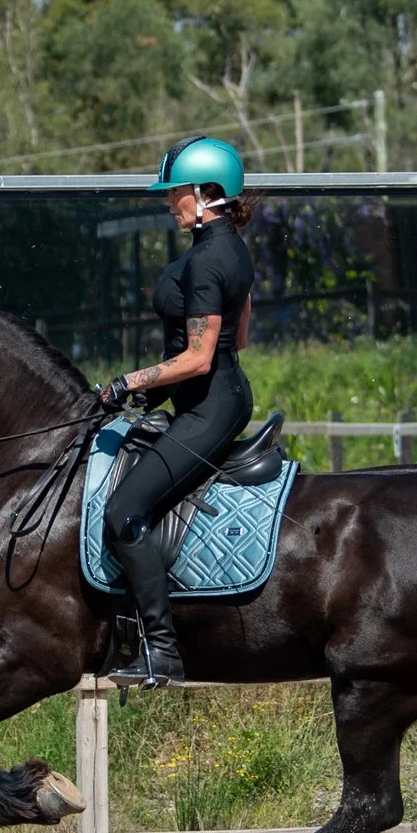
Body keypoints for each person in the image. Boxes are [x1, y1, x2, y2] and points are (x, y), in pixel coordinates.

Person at [95, 136, 256, 687]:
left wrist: (127, 382)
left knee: (124, 513)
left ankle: (161, 650)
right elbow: (243, 334)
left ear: (207, 193)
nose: (170, 203)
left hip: (209, 406)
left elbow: (199, 356)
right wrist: (154, 392)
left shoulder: (210, 261)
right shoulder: (231, 248)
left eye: (176, 193)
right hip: (214, 395)